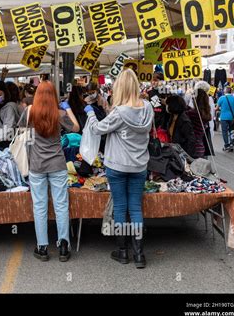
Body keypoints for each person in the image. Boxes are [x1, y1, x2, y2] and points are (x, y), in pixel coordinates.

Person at [84, 69, 153, 269]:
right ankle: (139, 255)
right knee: (136, 208)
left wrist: (90, 113)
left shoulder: (119, 112)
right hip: (139, 165)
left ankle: (122, 252)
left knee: (121, 208)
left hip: (117, 166)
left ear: (119, 88)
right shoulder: (147, 108)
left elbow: (98, 129)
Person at [19, 81, 79, 262]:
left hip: (37, 165)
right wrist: (67, 108)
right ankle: (63, 245)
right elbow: (76, 128)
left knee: (39, 206)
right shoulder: (59, 114)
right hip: (58, 165)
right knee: (61, 205)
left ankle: (42, 247)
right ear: (54, 95)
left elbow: (21, 132)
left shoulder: (29, 112)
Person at [216, 86, 234, 152]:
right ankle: (232, 144)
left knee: (224, 132)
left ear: (225, 91)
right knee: (232, 131)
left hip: (223, 117)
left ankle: (226, 145)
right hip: (232, 117)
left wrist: (220, 109)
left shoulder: (221, 98)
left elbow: (217, 108)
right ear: (231, 91)